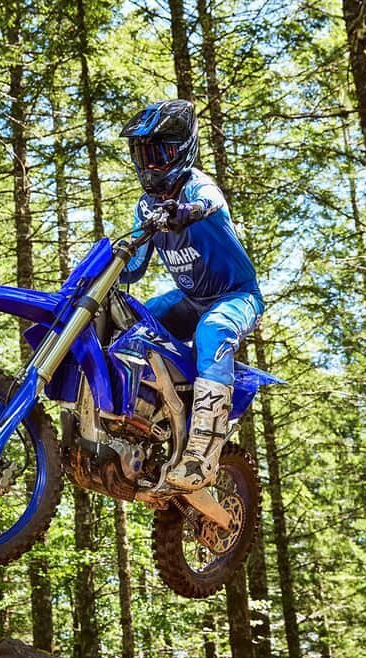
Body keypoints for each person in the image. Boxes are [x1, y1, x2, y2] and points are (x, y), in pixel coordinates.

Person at [120, 99, 265, 490]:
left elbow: (211, 200)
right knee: (133, 321)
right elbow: (134, 265)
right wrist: (110, 265)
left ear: (183, 150)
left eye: (160, 155)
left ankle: (203, 453)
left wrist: (189, 211)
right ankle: (146, 419)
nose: (150, 166)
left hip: (236, 296)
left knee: (213, 330)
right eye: (144, 156)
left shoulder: (196, 186)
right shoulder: (146, 206)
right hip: (190, 300)